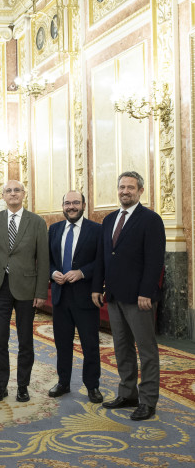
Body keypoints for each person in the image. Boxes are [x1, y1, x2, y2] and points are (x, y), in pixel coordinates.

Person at [92, 171, 165, 421]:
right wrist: (96, 287)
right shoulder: (109, 219)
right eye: (122, 187)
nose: (125, 191)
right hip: (113, 295)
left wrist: (147, 291)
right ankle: (127, 393)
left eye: (130, 188)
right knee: (121, 347)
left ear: (140, 191)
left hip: (139, 297)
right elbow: (103, 256)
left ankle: (148, 401)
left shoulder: (151, 219)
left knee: (146, 350)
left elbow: (154, 260)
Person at [0, 180, 48, 403]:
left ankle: (22, 385)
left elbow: (43, 259)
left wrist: (41, 291)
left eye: (17, 190)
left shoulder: (37, 222)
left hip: (27, 289)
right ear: (2, 196)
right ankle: (0, 385)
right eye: (8, 191)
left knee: (25, 339)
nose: (13, 194)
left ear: (24, 195)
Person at [48, 191, 104, 404]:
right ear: (62, 206)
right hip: (60, 296)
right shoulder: (54, 229)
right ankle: (63, 382)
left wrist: (82, 273)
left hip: (86, 296)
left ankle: (92, 386)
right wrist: (53, 273)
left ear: (84, 205)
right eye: (68, 203)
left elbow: (101, 262)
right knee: (62, 343)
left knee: (90, 345)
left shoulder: (97, 230)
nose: (71, 206)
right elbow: (48, 261)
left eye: (76, 203)